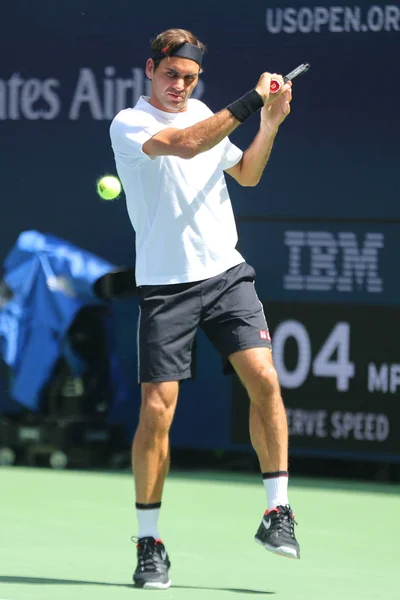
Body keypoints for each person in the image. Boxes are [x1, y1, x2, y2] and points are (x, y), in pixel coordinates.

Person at [110, 27, 300, 590]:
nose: (179, 86)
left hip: (226, 276)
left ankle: (277, 511)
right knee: (158, 412)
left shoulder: (209, 120)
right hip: (166, 287)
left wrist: (268, 123)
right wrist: (250, 101)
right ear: (150, 69)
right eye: (171, 75)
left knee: (265, 378)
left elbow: (246, 174)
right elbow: (189, 143)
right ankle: (150, 543)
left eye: (189, 79)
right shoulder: (131, 123)